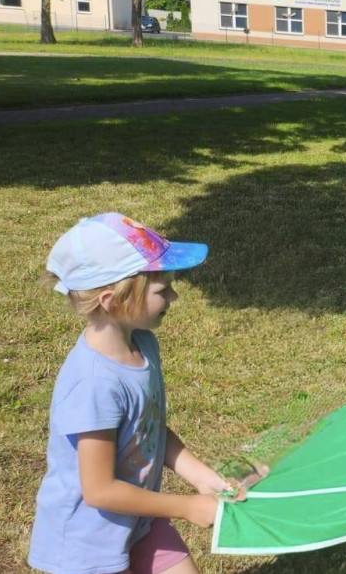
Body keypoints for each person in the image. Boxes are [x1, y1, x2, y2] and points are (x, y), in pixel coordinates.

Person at [29, 213, 236, 574]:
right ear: (114, 300)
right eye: (162, 288)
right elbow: (99, 490)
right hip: (88, 545)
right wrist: (186, 506)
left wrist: (204, 478)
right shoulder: (94, 384)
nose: (174, 295)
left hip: (139, 521)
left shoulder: (144, 345)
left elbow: (150, 428)